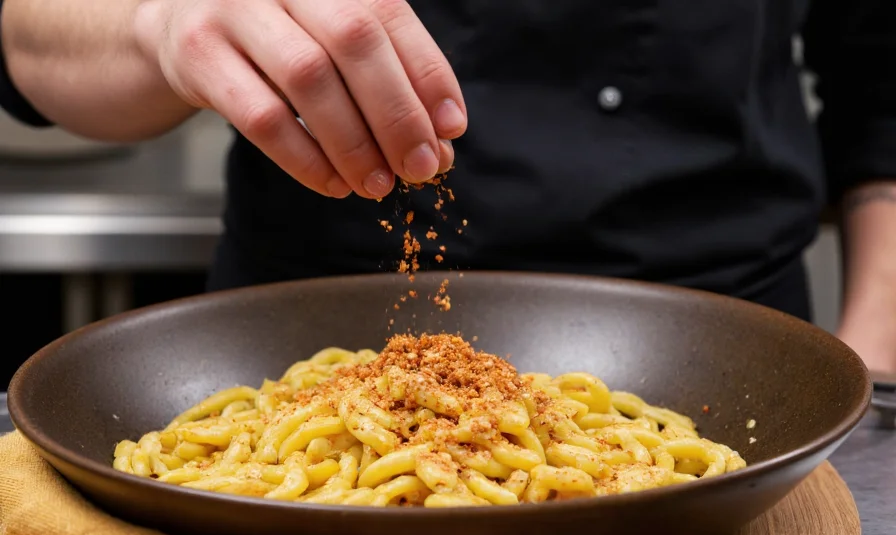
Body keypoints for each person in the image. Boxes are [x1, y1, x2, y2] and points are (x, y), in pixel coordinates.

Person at [1, 1, 894, 371]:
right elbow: (26, 33)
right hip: (290, 358)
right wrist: (162, 23)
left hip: (724, 370)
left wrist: (873, 388)